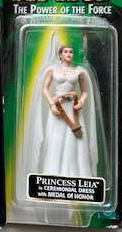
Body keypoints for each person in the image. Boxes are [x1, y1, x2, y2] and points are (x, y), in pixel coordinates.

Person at [40, 45, 95, 177]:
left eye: (71, 51)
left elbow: (85, 91)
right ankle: (53, 171)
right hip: (58, 107)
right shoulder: (53, 70)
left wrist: (81, 102)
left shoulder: (79, 72)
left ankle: (75, 172)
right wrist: (52, 105)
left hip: (72, 107)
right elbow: (45, 89)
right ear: (60, 55)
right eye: (65, 51)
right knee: (56, 138)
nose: (69, 53)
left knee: (73, 137)